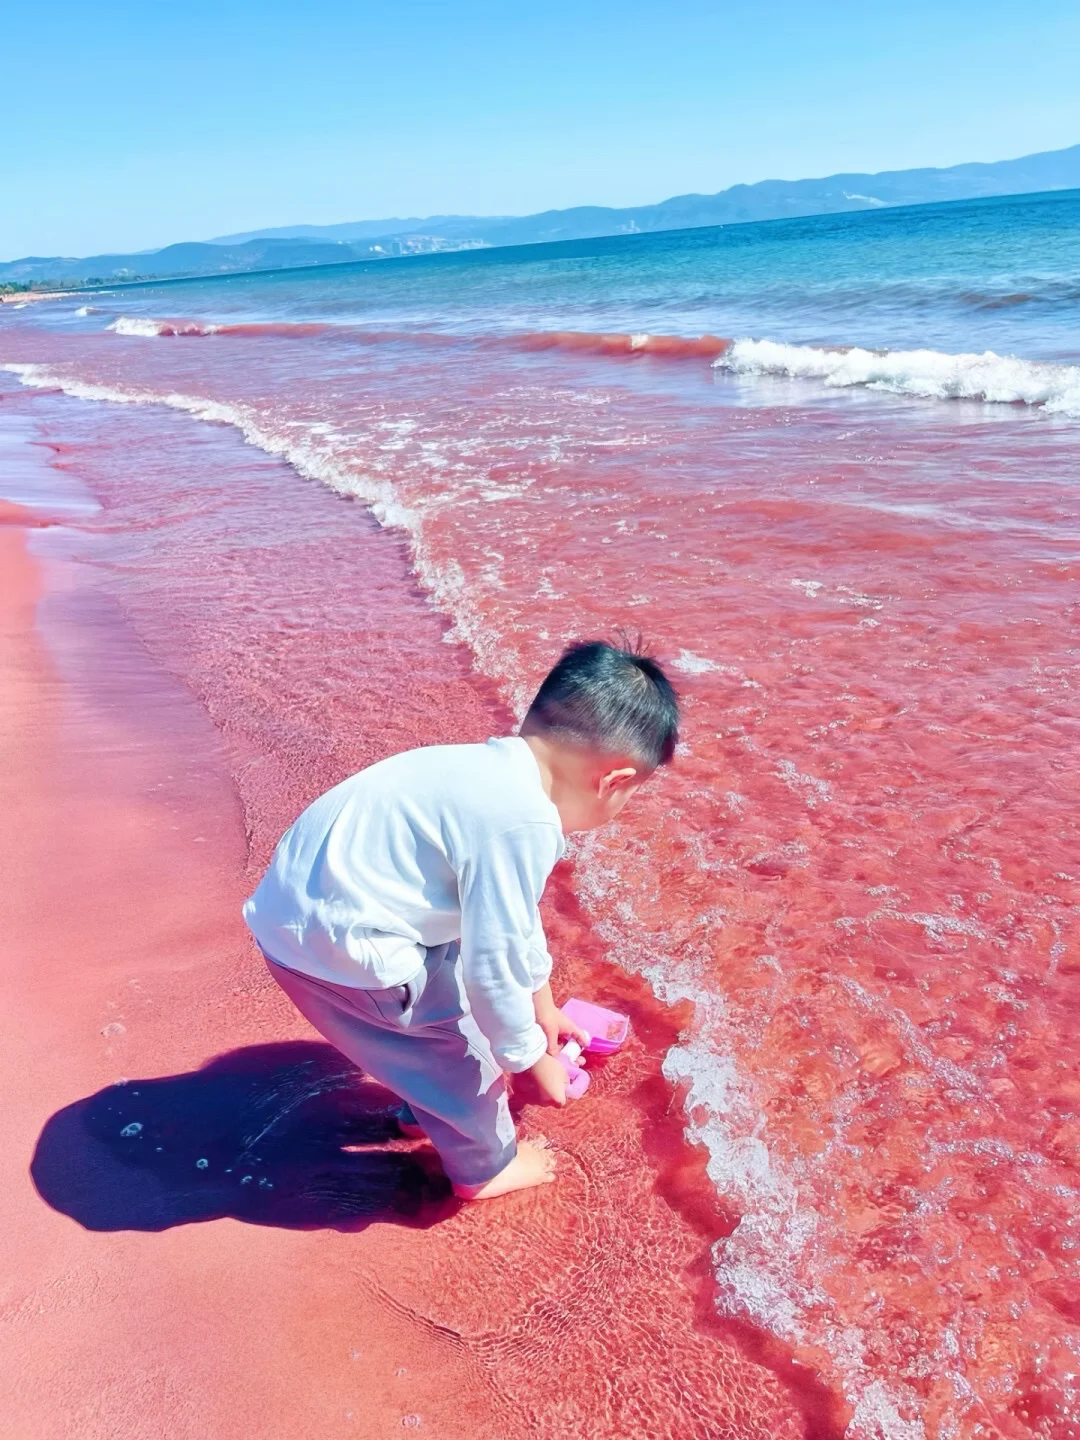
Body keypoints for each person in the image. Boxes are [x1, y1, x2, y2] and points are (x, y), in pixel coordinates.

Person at [243, 640, 679, 1200]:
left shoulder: (480, 769)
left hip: (298, 920)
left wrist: (541, 1005)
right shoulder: (523, 823)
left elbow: (513, 924)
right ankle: (484, 1168)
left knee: (431, 1013)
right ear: (614, 781)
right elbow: (492, 966)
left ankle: (421, 1104)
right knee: (460, 1052)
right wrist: (526, 1060)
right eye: (629, 797)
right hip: (350, 950)